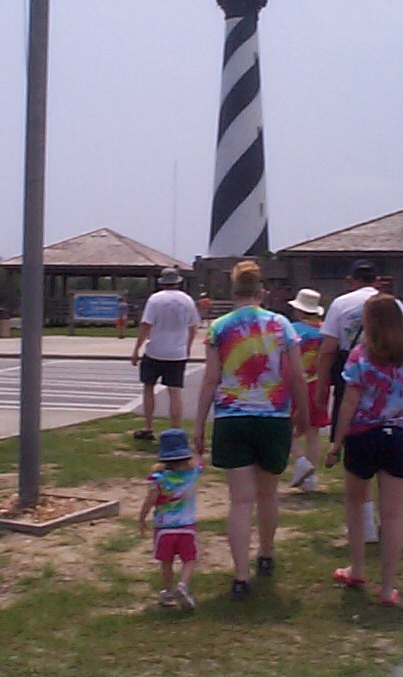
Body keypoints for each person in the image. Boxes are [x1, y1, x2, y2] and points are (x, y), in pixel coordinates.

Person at [194, 260, 309, 601]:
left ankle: (240, 576)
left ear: (233, 292)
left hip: (232, 417)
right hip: (273, 416)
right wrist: (302, 411)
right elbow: (297, 374)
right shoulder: (281, 324)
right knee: (268, 494)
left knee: (240, 501)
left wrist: (198, 424)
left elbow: (210, 379)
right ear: (262, 292)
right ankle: (266, 553)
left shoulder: (219, 327)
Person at [326, 294, 403, 607]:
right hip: (399, 437)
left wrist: (337, 442)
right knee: (392, 514)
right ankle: (387, 588)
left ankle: (357, 569)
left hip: (364, 435)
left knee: (355, 505)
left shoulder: (361, 356)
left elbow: (349, 402)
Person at [314, 260, 403, 542]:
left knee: (356, 446)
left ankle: (365, 522)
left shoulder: (341, 303)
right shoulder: (394, 304)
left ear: (352, 280)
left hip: (353, 371)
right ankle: (385, 521)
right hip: (391, 378)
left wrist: (321, 386)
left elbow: (328, 349)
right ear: (376, 279)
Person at [130, 267, 200, 439]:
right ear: (178, 282)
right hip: (177, 353)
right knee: (174, 392)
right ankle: (175, 429)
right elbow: (193, 327)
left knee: (148, 388)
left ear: (162, 282)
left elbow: (146, 325)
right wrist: (188, 347)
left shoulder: (155, 299)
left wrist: (137, 348)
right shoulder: (187, 300)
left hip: (155, 350)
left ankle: (148, 426)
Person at [138, 428, 202, 610]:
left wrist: (142, 517)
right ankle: (182, 585)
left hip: (164, 528)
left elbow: (150, 500)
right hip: (187, 527)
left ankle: (168, 592)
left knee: (166, 562)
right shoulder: (193, 473)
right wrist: (196, 448)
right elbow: (200, 461)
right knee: (190, 559)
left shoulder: (158, 479)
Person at [286, 288, 327, 492]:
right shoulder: (325, 331)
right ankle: (311, 478)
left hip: (297, 384)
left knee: (285, 427)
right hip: (319, 383)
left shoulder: (293, 330)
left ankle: (301, 461)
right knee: (313, 432)